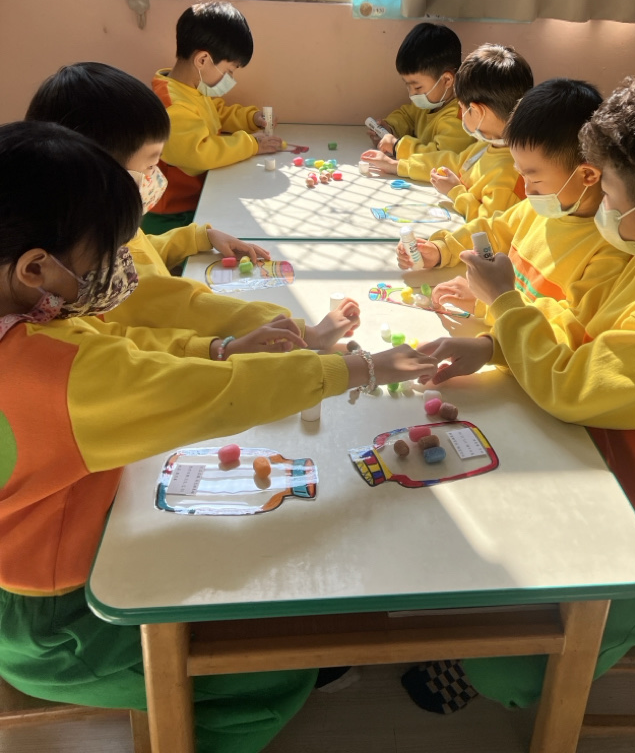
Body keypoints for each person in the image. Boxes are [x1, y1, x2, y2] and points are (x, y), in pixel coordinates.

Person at [0, 121, 436, 753]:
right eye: (104, 258)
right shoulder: (52, 375)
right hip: (57, 623)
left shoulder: (30, 326)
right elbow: (219, 397)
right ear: (37, 267)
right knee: (273, 672)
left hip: (58, 564)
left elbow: (123, 347)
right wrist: (364, 369)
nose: (118, 271)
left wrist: (221, 347)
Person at [403, 65, 635, 714]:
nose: (601, 206)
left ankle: (518, 659)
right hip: (603, 479)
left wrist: (504, 306)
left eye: (609, 193)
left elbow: (569, 386)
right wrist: (492, 344)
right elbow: (576, 329)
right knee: (464, 540)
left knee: (507, 671)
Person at [26, 62, 358, 349]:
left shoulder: (86, 229)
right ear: (103, 176)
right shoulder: (97, 269)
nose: (155, 175)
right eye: (151, 164)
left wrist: (198, 237)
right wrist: (307, 331)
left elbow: (142, 250)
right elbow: (188, 306)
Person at [400, 79, 626, 326]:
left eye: (534, 179)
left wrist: (489, 302)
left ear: (587, 175)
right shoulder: (539, 207)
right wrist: (442, 250)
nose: (526, 190)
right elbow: (493, 230)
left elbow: (568, 325)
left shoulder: (609, 252)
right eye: (522, 175)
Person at [147, 1, 283, 233]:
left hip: (197, 198)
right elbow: (199, 153)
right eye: (229, 71)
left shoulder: (191, 89)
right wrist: (251, 144)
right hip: (171, 215)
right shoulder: (172, 106)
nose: (231, 79)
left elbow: (217, 112)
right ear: (202, 60)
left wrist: (251, 118)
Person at [363, 44, 532, 224]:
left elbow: (490, 227)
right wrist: (397, 166)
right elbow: (453, 163)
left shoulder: (509, 174)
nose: (460, 113)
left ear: (477, 111)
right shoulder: (488, 144)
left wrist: (456, 192)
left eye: (462, 108)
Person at [361, 23, 467, 162]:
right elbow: (407, 116)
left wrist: (397, 147)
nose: (412, 94)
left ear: (447, 80)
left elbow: (441, 156)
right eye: (408, 85)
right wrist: (390, 128)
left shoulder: (461, 116)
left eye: (417, 87)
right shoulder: (430, 102)